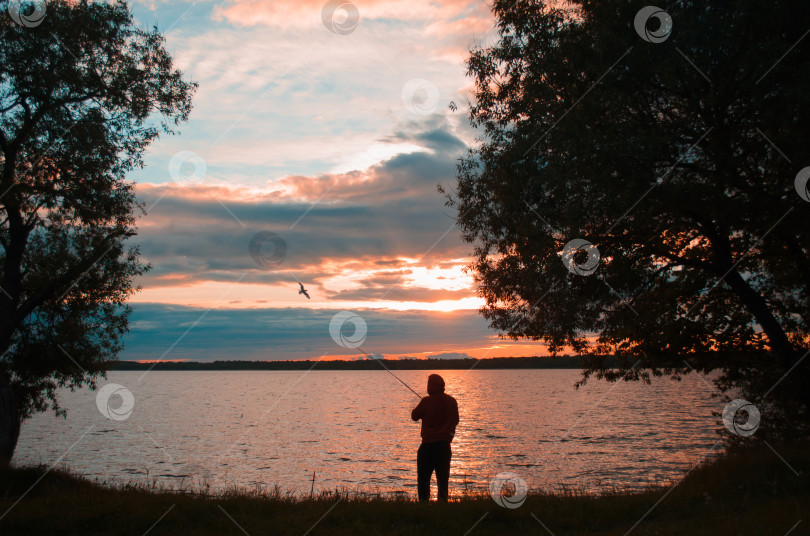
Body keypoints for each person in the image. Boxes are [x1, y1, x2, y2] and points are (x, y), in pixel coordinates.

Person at [411, 374, 459, 502]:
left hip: (427, 447)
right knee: (443, 481)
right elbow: (456, 421)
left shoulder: (426, 401)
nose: (427, 387)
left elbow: (414, 416)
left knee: (423, 481)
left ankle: (424, 506)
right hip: (444, 447)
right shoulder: (452, 402)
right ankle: (442, 507)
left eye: (429, 384)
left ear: (432, 386)